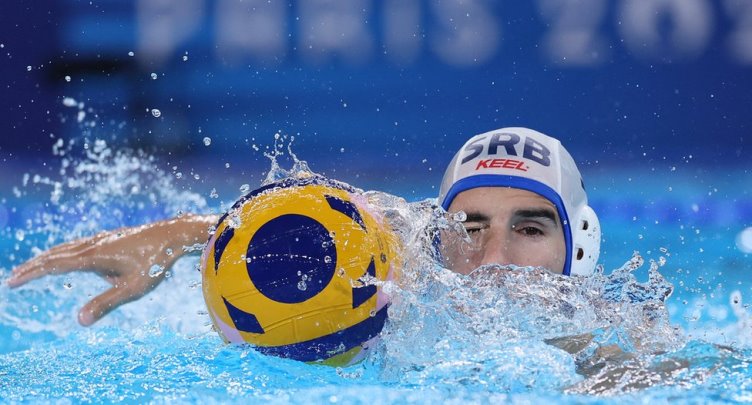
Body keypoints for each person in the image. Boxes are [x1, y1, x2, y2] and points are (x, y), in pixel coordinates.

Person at [6, 127, 600, 325]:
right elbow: (326, 225)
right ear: (437, 239)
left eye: (530, 230)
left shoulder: (615, 332)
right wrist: (183, 235)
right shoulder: (408, 283)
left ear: (579, 248)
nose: (493, 259)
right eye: (469, 228)